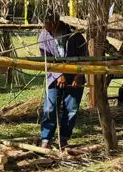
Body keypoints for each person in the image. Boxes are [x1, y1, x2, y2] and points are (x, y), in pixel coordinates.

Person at [38, 11, 88, 149]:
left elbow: (84, 55)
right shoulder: (43, 36)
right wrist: (58, 74)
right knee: (50, 107)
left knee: (71, 108)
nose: (46, 27)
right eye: (44, 24)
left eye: (48, 24)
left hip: (75, 76)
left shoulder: (74, 34)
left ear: (56, 22)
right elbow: (45, 59)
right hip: (54, 77)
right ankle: (46, 139)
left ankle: (64, 139)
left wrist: (79, 75)